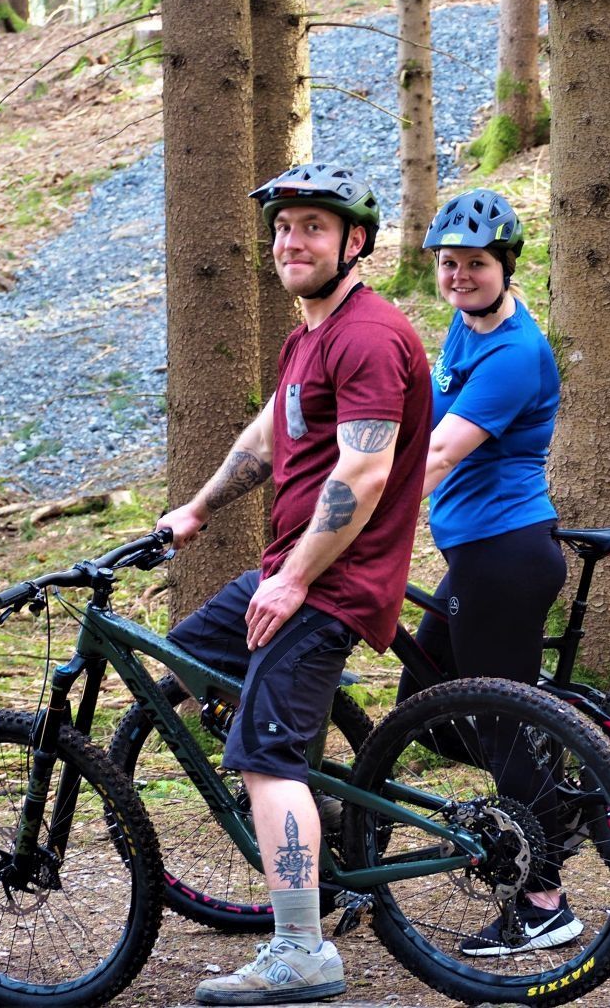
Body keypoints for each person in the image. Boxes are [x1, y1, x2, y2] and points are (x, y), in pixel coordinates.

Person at [157, 163, 432, 1007]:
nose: (291, 241)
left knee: (266, 760)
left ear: (354, 242)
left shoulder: (371, 336)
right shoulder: (310, 334)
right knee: (180, 660)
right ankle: (325, 832)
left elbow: (364, 472)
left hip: (332, 584)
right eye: (283, 227)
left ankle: (300, 949)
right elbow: (273, 432)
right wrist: (198, 509)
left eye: (312, 226)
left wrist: (296, 583)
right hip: (291, 570)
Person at [397, 187, 573, 957]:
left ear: (504, 265)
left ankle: (543, 902)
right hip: (479, 553)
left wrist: (363, 520)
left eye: (474, 263)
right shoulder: (466, 330)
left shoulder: (512, 353)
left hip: (504, 556)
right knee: (428, 707)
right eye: (448, 263)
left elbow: (440, 452)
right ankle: (564, 784)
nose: (459, 275)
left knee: (500, 726)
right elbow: (422, 417)